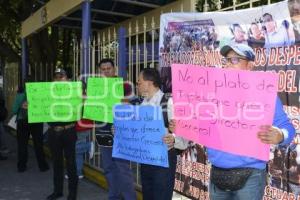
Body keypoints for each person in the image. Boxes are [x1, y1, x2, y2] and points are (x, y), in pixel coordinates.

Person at [201, 43, 295, 199]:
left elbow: (288, 128)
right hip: (217, 174)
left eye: (235, 60)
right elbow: (203, 125)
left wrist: (281, 135)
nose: (229, 64)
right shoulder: (213, 94)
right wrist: (186, 126)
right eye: (227, 60)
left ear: (250, 65)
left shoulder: (264, 93)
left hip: (250, 177)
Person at [136, 68, 188, 200]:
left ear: (149, 83)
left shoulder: (169, 103)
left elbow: (184, 134)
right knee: (148, 195)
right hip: (146, 160)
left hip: (163, 161)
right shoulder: (142, 104)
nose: (137, 86)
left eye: (139, 82)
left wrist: (174, 139)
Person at [95, 58, 137, 200]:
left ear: (115, 69)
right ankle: (114, 195)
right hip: (102, 131)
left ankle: (129, 197)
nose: (106, 71)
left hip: (121, 132)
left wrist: (126, 102)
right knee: (108, 167)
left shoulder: (124, 85)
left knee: (123, 168)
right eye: (103, 69)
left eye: (109, 68)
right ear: (99, 71)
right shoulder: (95, 87)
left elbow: (135, 105)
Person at [46, 68, 78, 200]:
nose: (59, 79)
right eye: (56, 76)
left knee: (71, 163)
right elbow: (39, 107)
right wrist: (31, 105)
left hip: (69, 131)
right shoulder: (47, 93)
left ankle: (72, 193)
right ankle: (57, 191)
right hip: (53, 132)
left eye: (62, 76)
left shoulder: (75, 92)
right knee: (57, 163)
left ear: (68, 79)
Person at [12, 80, 49, 172]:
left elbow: (14, 110)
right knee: (38, 144)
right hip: (36, 121)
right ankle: (42, 166)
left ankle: (21, 167)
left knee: (22, 145)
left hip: (22, 121)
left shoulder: (20, 95)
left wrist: (21, 105)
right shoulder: (39, 95)